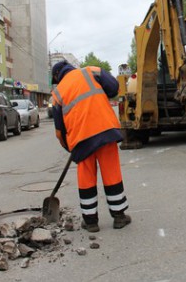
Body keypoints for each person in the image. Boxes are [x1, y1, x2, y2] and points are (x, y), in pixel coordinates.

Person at [51, 60, 131, 232]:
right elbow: (114, 87)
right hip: (105, 129)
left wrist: (70, 147)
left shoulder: (57, 93)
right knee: (112, 173)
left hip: (81, 139)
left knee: (86, 178)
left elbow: (59, 131)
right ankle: (119, 217)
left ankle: (90, 221)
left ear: (57, 77)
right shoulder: (91, 71)